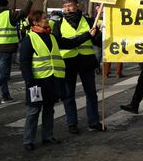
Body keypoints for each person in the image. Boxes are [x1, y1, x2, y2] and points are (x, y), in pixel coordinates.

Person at [20, 10, 95, 151]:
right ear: (35, 22)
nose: (47, 20)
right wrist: (29, 80)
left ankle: (47, 136)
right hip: (37, 81)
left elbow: (71, 43)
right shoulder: (29, 39)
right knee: (33, 112)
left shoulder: (52, 37)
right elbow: (24, 62)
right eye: (43, 19)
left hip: (52, 80)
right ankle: (28, 140)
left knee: (49, 109)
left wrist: (87, 35)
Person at [52, 0, 104, 133]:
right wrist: (87, 35)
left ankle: (94, 121)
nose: (67, 8)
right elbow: (61, 43)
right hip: (68, 62)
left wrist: (99, 34)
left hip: (86, 61)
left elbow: (97, 42)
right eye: (65, 6)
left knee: (91, 93)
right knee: (69, 95)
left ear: (77, 5)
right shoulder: (58, 24)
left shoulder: (89, 21)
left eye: (70, 5)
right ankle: (72, 123)